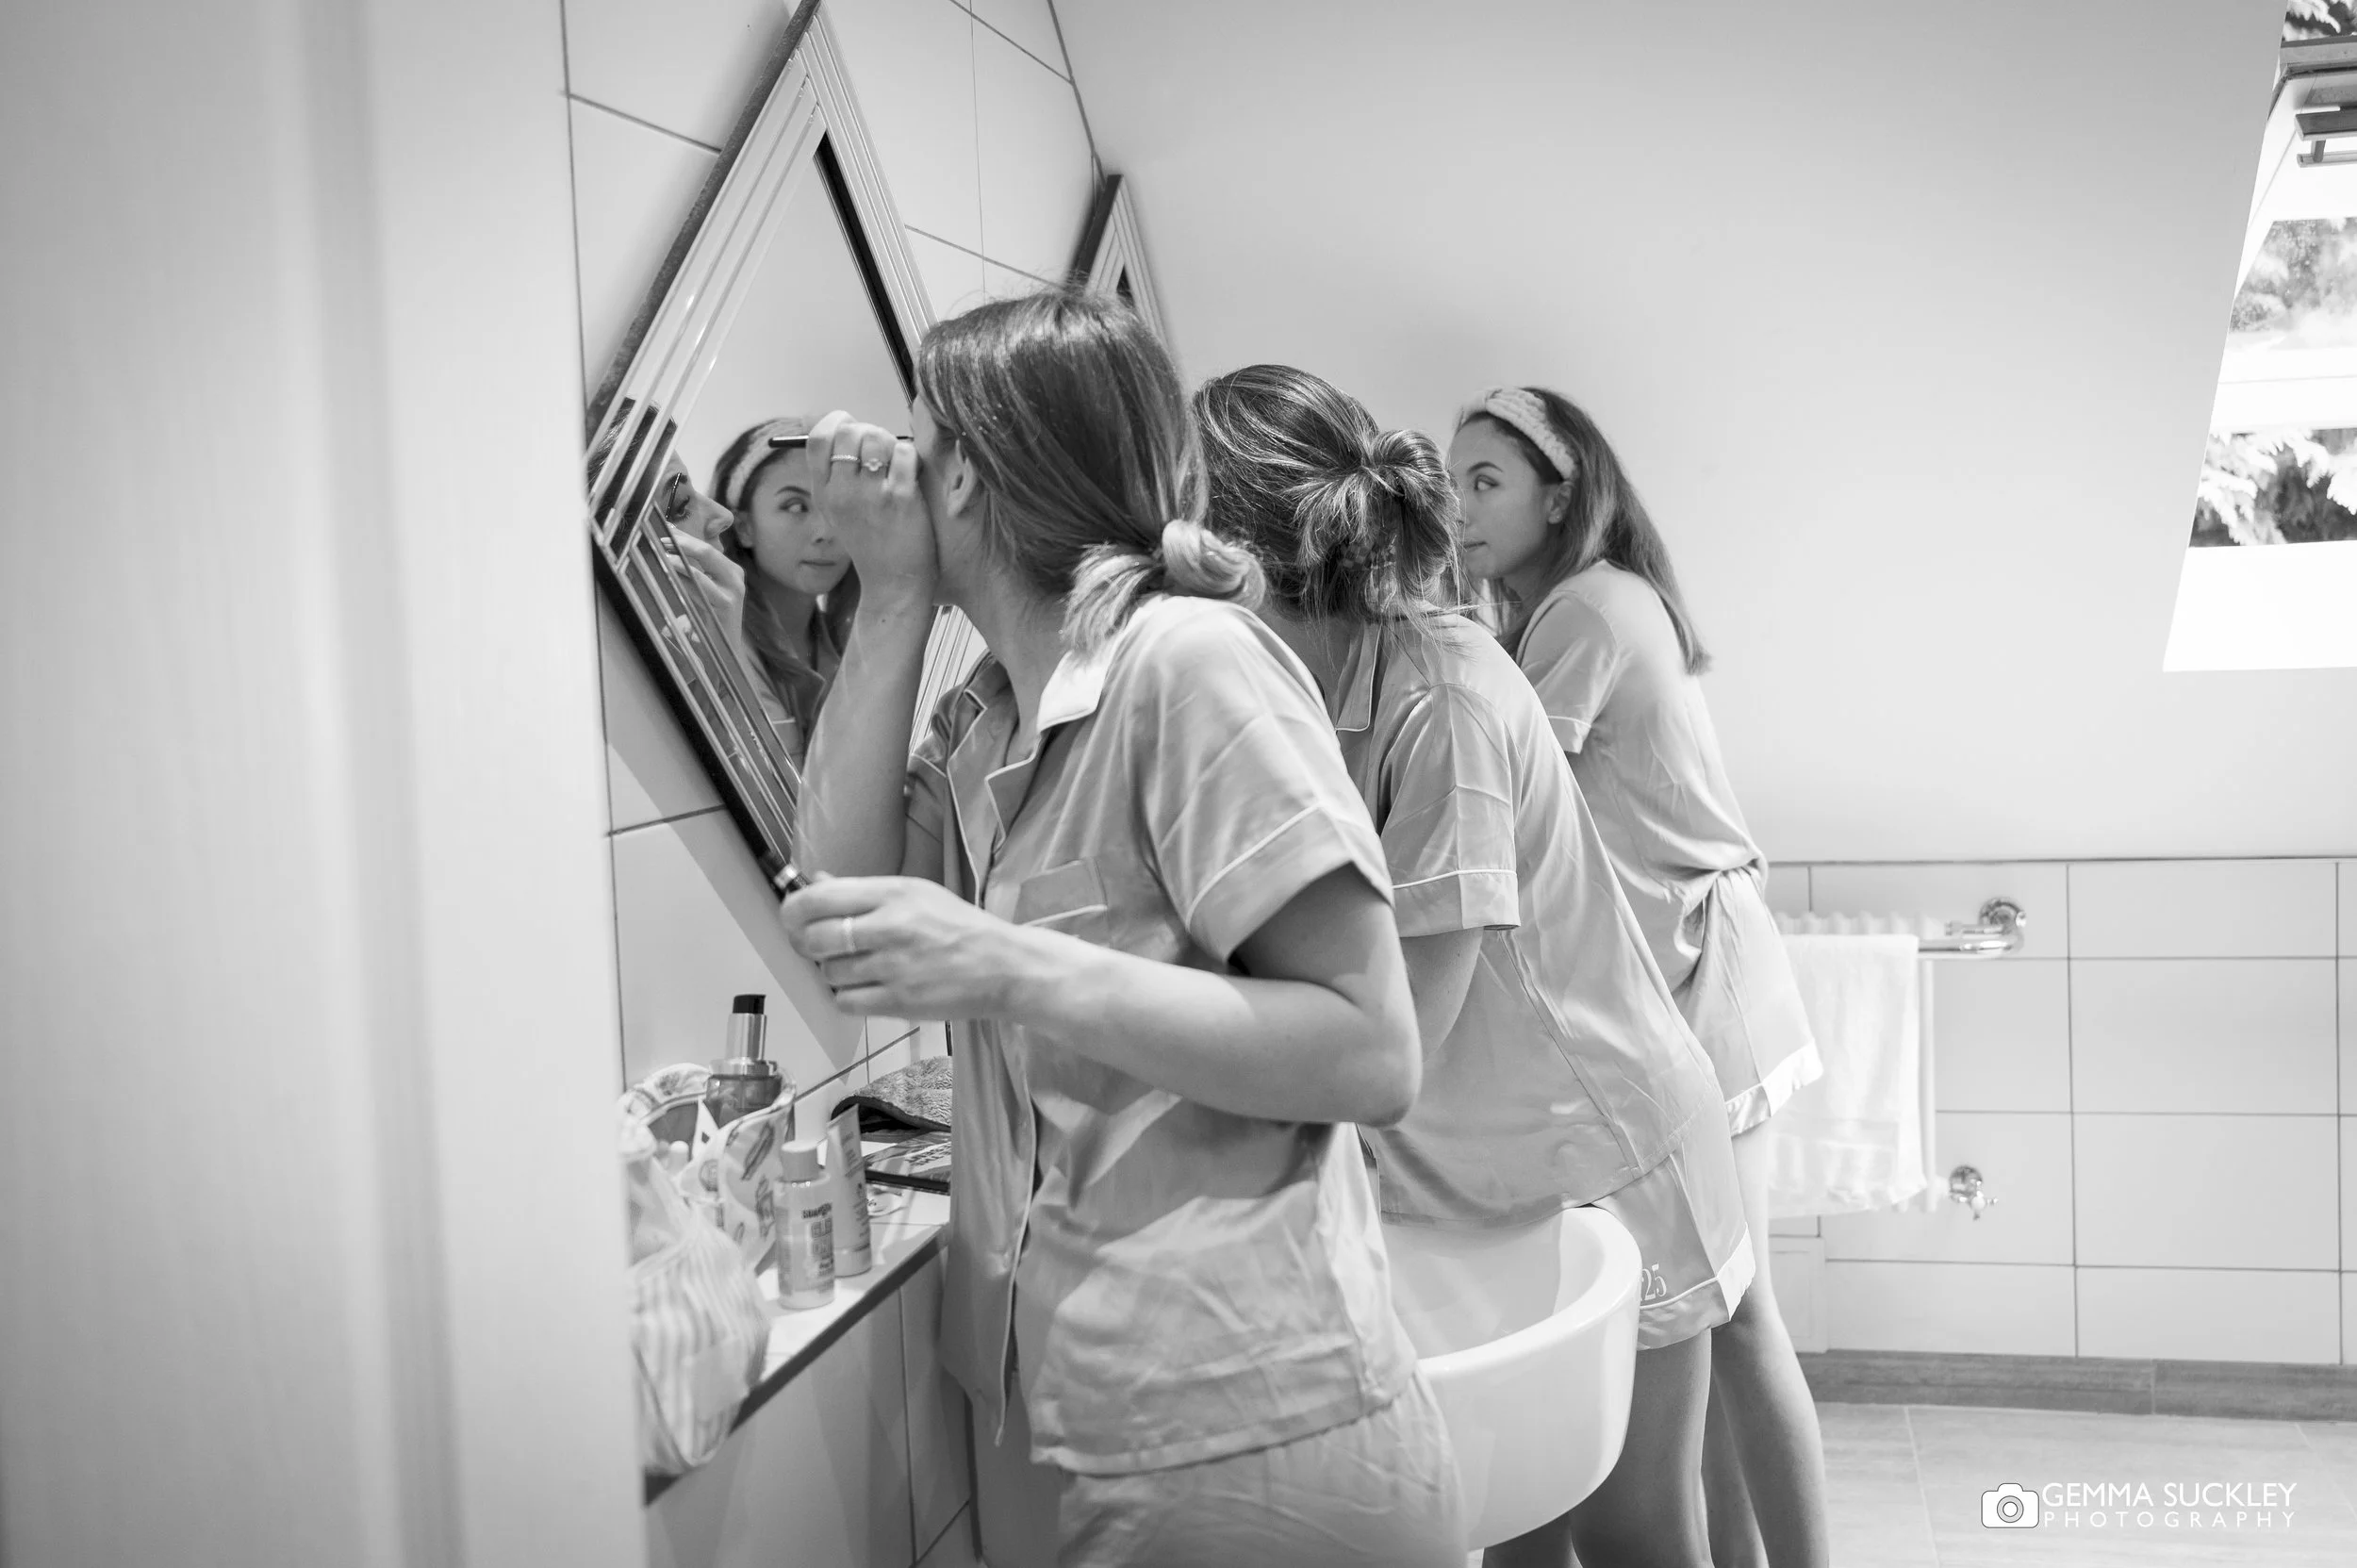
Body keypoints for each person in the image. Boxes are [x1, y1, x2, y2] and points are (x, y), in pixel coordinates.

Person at [777, 289, 1465, 1568]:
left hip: (1252, 1420)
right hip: (1084, 1398)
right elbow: (840, 909)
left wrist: (1011, 965)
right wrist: (888, 600)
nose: (895, 471)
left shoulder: (1188, 665)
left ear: (965, 476)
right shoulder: (988, 715)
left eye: (917, 440)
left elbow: (1372, 1048)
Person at [1196, 364, 1745, 1568]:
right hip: (1473, 1172)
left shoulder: (1439, 696)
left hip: (1595, 1155)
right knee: (1512, 1530)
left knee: (1635, 1535)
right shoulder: (1306, 692)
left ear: (1229, 561)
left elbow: (1399, 1034)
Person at [1451, 386, 1830, 1568]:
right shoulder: (1576, 605)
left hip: (1703, 978)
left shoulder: (1586, 608)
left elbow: (1499, 789)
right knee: (1713, 1319)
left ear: (1559, 491)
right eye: (1452, 483)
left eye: (1485, 482)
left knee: (1740, 1311)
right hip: (1687, 969)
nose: (1459, 507)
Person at [702, 417, 861, 767]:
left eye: (839, 506)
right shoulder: (718, 636)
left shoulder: (852, 648)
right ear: (744, 527)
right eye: (795, 506)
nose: (825, 532)